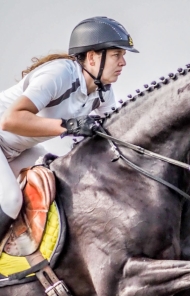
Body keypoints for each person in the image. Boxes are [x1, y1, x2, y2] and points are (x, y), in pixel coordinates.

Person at [0, 16, 139, 243]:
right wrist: (70, 125)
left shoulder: (103, 91)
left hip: (18, 149)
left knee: (60, 182)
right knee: (10, 199)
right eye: (117, 55)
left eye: (122, 56)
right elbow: (9, 120)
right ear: (92, 57)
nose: (123, 62)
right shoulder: (60, 73)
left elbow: (116, 135)